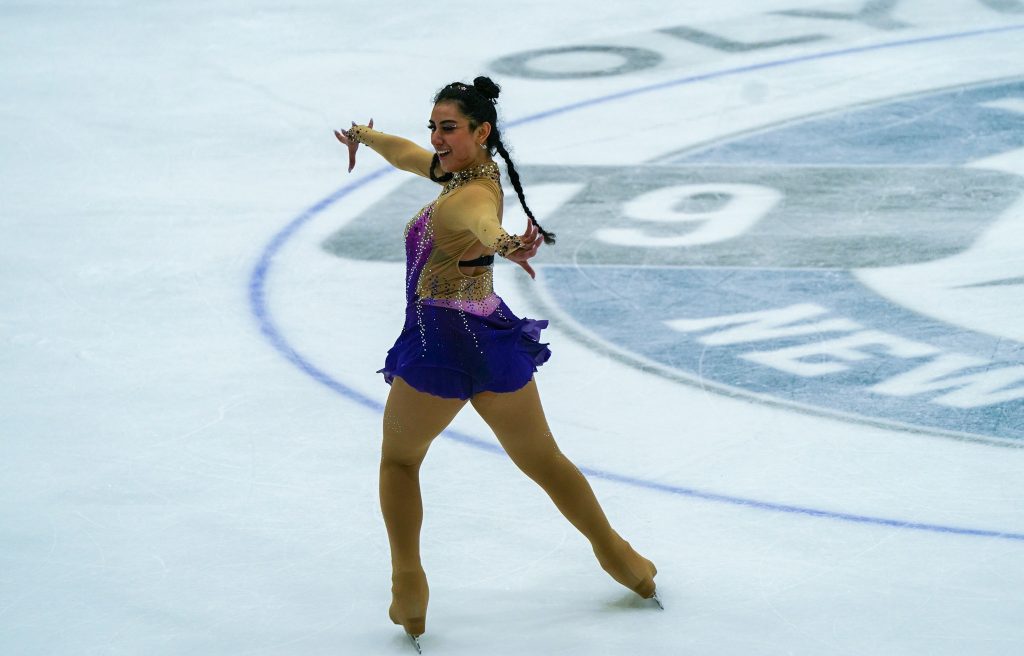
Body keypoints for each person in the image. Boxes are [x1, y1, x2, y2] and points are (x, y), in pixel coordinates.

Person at [335, 76, 659, 651]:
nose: (436, 138)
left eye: (449, 128)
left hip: (439, 346)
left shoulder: (471, 195)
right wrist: (365, 134)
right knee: (544, 461)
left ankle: (409, 587)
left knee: (400, 462)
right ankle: (622, 559)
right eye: (433, 127)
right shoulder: (464, 174)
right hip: (490, 338)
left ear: (481, 130)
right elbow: (408, 155)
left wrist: (508, 245)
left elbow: (485, 224)